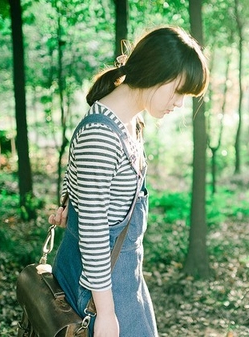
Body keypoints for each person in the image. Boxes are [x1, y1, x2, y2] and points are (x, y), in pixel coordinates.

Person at [48, 26, 209, 337]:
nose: (179, 103)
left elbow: (82, 173)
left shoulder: (130, 120)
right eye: (177, 91)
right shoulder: (102, 134)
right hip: (97, 287)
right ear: (154, 73)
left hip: (121, 275)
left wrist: (69, 201)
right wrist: (106, 314)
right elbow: (94, 233)